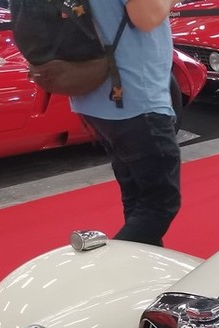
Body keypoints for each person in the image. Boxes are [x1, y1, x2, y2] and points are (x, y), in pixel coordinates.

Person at [69, 0, 180, 247]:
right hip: (133, 95)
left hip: (94, 93)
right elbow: (146, 17)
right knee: (160, 202)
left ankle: (141, 264)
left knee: (138, 197)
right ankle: (109, 264)